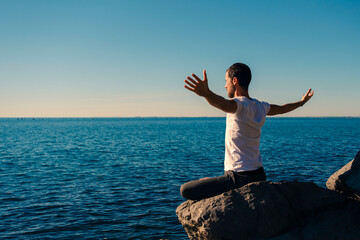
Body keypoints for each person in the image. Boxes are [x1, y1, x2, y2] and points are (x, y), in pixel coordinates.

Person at [180, 63, 314, 200]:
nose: (225, 86)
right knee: (207, 182)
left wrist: (206, 93)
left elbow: (221, 103)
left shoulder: (239, 105)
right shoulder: (260, 105)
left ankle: (221, 183)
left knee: (185, 190)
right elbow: (282, 108)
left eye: (226, 81)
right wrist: (301, 103)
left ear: (234, 81)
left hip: (238, 178)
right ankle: (219, 182)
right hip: (259, 175)